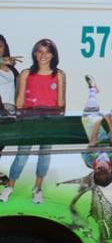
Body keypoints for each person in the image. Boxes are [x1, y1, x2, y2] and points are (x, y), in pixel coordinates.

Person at [2, 39, 66, 204]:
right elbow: (19, 102)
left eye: (47, 52)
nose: (43, 55)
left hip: (49, 122)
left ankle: (37, 188)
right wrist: (23, 118)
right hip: (29, 121)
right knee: (22, 155)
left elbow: (61, 103)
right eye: (39, 51)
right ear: (34, 53)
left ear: (53, 55)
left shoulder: (59, 75)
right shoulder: (25, 73)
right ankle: (10, 186)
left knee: (44, 156)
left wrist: (55, 119)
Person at [0, 34, 20, 115]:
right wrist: (2, 60)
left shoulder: (13, 70)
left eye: (0, 46)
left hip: (11, 110)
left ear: (5, 48)